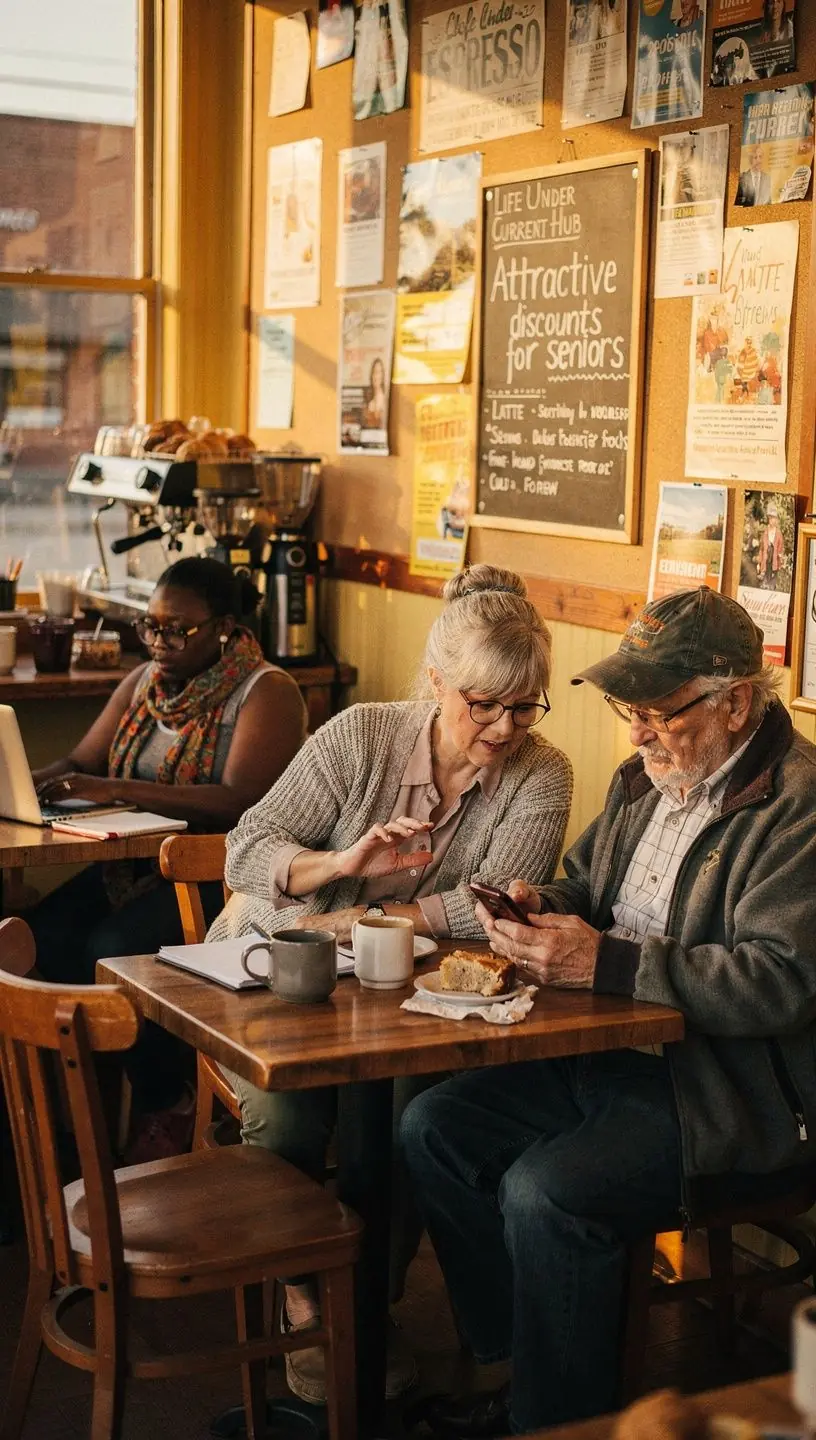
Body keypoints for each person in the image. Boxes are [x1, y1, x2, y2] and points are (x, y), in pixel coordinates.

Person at [402, 587, 816, 1437]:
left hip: (722, 1093)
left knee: (547, 1194)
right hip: (610, 1055)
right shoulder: (647, 778)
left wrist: (609, 961)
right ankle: (520, 1366)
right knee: (434, 1126)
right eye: (631, 708)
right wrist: (533, 901)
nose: (636, 732)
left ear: (735, 702)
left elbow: (781, 981)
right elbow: (589, 889)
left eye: (658, 711)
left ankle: (559, 1423)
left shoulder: (799, 808)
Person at [207, 563, 573, 1406]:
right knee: (289, 1108)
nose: (503, 727)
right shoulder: (360, 735)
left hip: (419, 1003)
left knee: (419, 1112)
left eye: (525, 706)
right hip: (276, 972)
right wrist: (344, 864)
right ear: (437, 679)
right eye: (483, 703)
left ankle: (371, 1301)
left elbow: (492, 909)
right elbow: (245, 849)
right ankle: (306, 1295)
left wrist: (368, 923)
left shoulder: (541, 774)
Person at [29, 556, 307, 1149]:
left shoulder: (266, 692)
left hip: (222, 877)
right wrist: (24, 782)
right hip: (133, 869)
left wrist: (118, 789)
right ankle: (110, 1089)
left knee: (111, 948)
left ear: (226, 628)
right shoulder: (146, 683)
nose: (159, 641)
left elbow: (241, 801)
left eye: (177, 629)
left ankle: (167, 1095)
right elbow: (82, 763)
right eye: (150, 627)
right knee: (43, 933)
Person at [758, 501, 784, 589]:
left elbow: (780, 550)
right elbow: (761, 549)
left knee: (771, 586)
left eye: (775, 518)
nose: (774, 520)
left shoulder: (779, 534)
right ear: (769, 519)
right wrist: (759, 563)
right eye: (772, 518)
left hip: (774, 564)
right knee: (763, 586)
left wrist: (779, 564)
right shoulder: (765, 533)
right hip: (765, 564)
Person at [363, 355, 387, 428]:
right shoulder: (367, 398)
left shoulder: (386, 397)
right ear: (371, 375)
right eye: (374, 372)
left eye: (379, 372)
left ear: (382, 375)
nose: (376, 376)